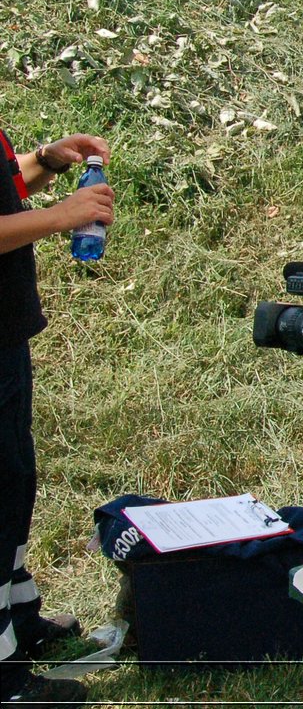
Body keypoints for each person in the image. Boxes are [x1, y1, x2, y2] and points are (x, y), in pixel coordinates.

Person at [1, 126, 114, 708]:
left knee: (15, 483)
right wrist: (59, 216)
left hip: (7, 335)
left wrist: (43, 161)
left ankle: (19, 623)